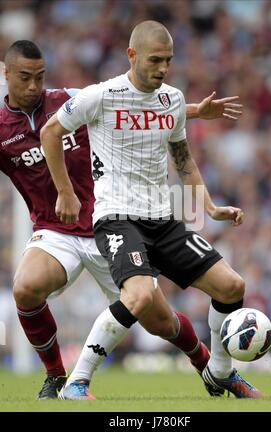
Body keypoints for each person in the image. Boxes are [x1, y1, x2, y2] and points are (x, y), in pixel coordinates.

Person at [0, 40, 242, 400]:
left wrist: (193, 111)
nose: (34, 86)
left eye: (39, 77)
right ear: (6, 75)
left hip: (107, 222)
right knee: (25, 287)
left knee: (161, 322)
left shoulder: (69, 99)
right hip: (55, 232)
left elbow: (135, 104)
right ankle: (55, 377)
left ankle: (206, 364)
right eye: (24, 78)